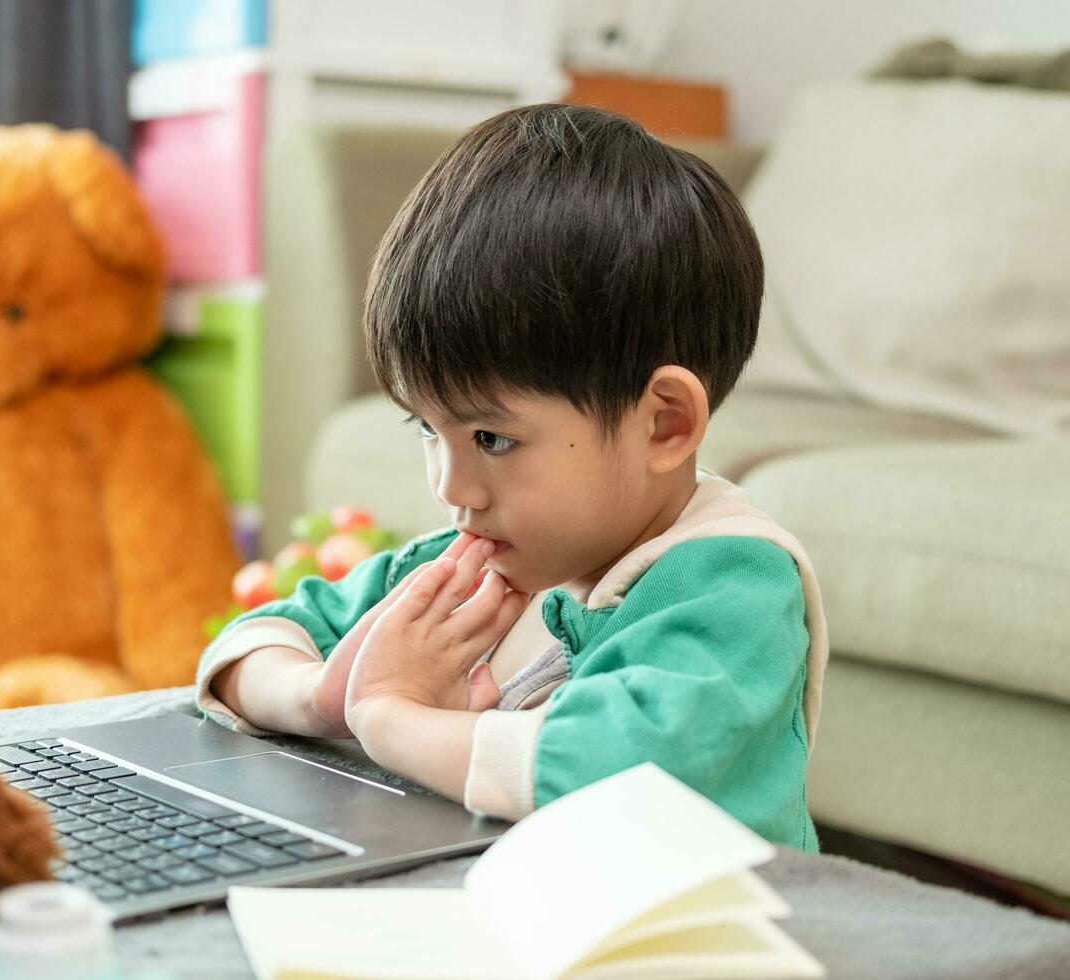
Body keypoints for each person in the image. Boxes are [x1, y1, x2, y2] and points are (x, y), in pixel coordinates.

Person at [197, 103, 828, 848]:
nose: (449, 487)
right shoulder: (472, 569)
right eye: (427, 429)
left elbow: (613, 768)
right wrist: (318, 697)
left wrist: (394, 717)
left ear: (664, 424)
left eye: (492, 438)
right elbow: (249, 645)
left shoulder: (733, 586)